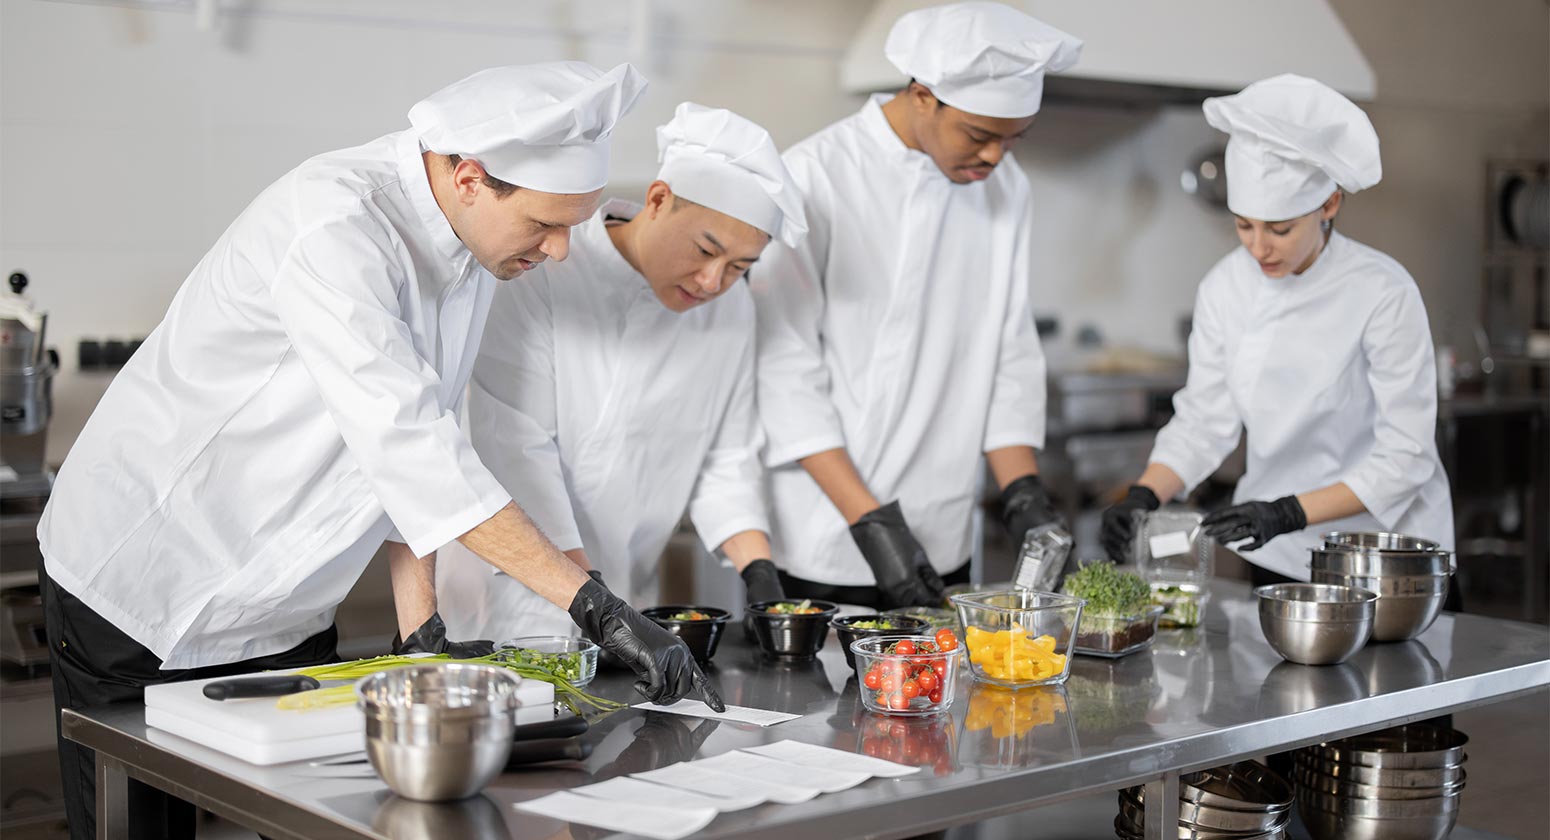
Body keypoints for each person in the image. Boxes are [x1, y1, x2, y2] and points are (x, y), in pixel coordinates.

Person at [37, 62, 720, 840]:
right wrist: (598, 609)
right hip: (146, 581)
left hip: (284, 607)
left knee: (303, 824)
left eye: (572, 224)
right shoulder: (334, 226)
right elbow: (415, 449)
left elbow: (418, 447)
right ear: (468, 177)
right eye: (544, 225)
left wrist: (418, 629)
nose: (561, 251)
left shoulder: (474, 251)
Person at [751, 1, 1080, 609]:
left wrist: (1023, 492)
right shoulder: (814, 176)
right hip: (828, 530)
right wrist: (872, 524)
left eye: (1013, 141)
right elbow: (782, 370)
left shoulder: (1006, 191)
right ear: (923, 94)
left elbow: (1007, 347)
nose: (994, 159)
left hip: (943, 528)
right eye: (980, 136)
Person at [436, 102, 805, 639]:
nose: (711, 282)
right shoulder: (545, 269)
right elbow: (516, 445)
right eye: (706, 249)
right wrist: (587, 594)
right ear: (658, 200)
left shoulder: (731, 310)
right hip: (509, 588)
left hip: (628, 599)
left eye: (739, 268)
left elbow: (726, 456)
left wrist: (761, 574)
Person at [1100, 74, 1454, 586]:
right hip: (1274, 552)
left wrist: (1288, 510)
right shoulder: (1224, 288)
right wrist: (1144, 494)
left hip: (1384, 556)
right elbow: (1204, 420)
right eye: (1244, 225)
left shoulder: (1383, 292)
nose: (1259, 247)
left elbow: (1407, 457)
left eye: (1280, 229)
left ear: (1329, 204)